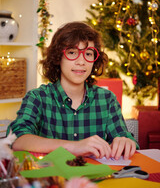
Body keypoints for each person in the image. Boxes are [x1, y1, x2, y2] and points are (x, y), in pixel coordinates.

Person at [8, 21, 139, 160]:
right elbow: (17, 140)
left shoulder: (107, 99)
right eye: (72, 52)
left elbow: (124, 138)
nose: (81, 61)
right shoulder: (38, 97)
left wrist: (125, 142)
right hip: (53, 178)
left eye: (88, 53)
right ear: (58, 57)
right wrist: (74, 147)